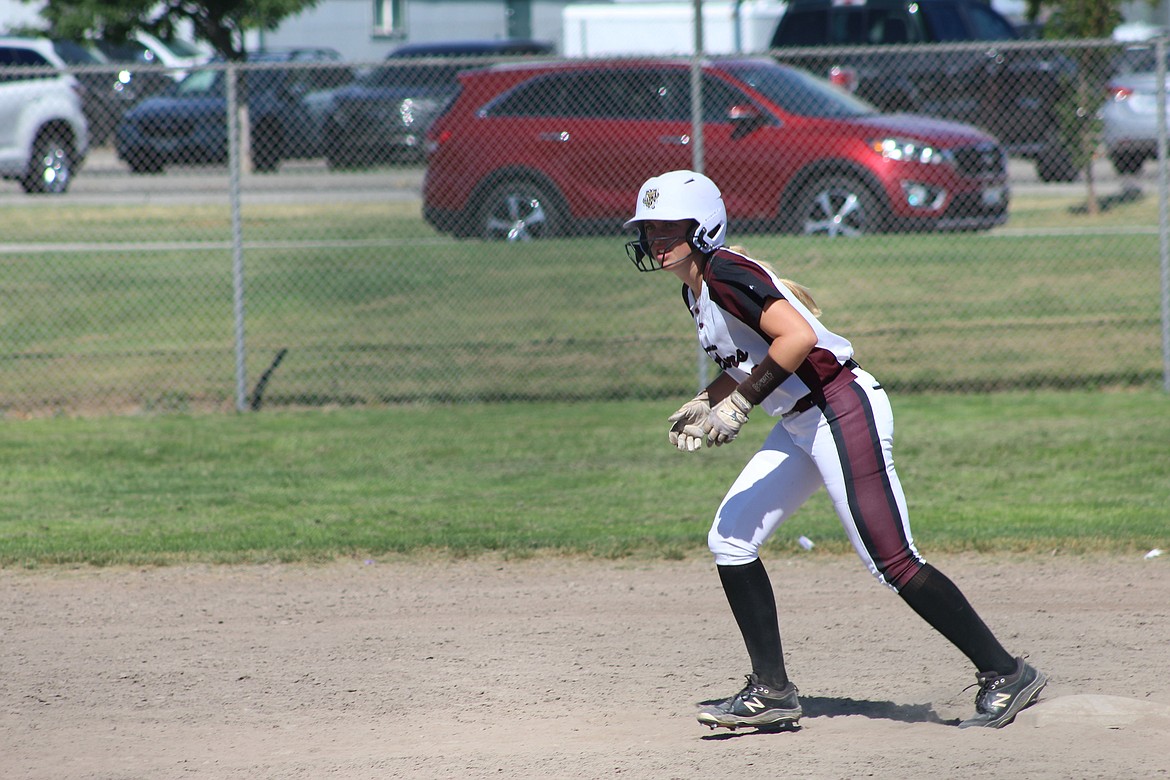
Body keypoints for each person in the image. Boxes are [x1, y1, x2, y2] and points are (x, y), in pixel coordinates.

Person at [623, 170, 1046, 731]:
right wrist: (709, 399)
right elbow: (746, 363)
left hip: (838, 407)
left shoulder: (723, 271)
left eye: (669, 226)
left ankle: (1005, 671)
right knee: (730, 539)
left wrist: (740, 405)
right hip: (802, 422)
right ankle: (771, 691)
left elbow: (795, 339)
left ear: (703, 227)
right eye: (649, 229)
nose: (656, 239)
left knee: (892, 560)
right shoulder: (696, 286)